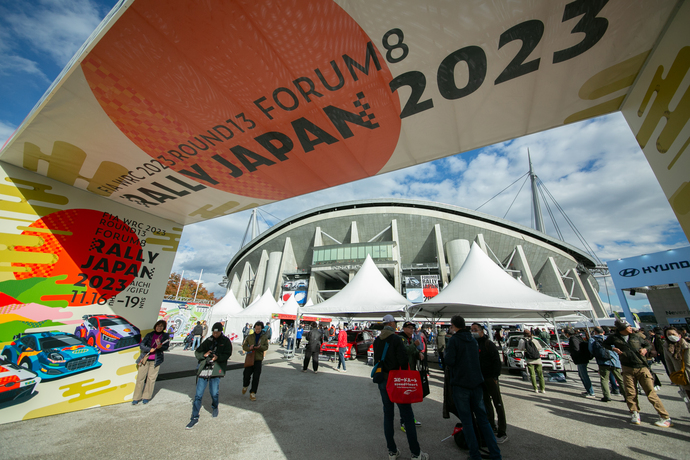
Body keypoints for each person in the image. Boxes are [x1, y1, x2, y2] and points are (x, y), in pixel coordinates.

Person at [373, 314, 429, 460]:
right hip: (397, 381)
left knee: (388, 415)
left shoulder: (377, 340)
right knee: (407, 416)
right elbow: (403, 360)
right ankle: (416, 453)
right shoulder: (396, 339)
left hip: (383, 381)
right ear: (391, 324)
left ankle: (392, 451)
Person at [445, 315, 502, 460]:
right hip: (476, 383)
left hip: (461, 384)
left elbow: (449, 361)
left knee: (467, 422)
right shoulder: (473, 340)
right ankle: (496, 453)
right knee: (483, 420)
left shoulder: (454, 340)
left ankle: (475, 455)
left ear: (453, 326)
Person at [604, 319, 672, 427]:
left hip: (641, 367)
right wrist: (613, 348)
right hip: (627, 368)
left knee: (651, 393)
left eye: (630, 326)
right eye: (628, 327)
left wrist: (645, 349)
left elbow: (649, 345)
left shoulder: (637, 336)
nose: (630, 328)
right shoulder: (613, 337)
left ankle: (664, 416)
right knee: (630, 393)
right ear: (622, 329)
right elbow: (605, 344)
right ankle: (634, 413)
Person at [186, 322, 232, 429]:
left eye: (217, 332)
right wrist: (204, 355)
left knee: (214, 392)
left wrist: (218, 357)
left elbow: (227, 354)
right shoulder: (209, 340)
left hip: (215, 370)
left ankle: (215, 406)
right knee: (198, 395)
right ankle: (194, 417)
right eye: (214, 332)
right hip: (204, 369)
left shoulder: (225, 341)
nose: (215, 334)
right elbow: (198, 352)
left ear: (221, 331)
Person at [471, 323, 507, 443]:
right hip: (480, 379)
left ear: (482, 331)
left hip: (490, 378)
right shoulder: (474, 344)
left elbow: (496, 360)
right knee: (486, 403)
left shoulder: (488, 344)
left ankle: (502, 431)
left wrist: (495, 376)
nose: (473, 332)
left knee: (498, 404)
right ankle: (491, 426)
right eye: (471, 330)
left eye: (475, 330)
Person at [132, 320, 170, 405]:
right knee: (140, 378)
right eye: (158, 326)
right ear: (155, 326)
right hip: (146, 358)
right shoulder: (150, 334)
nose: (159, 328)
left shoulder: (165, 336)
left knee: (151, 379)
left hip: (156, 360)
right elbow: (142, 345)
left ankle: (146, 396)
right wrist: (149, 349)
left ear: (163, 328)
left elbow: (166, 347)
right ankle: (136, 397)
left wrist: (161, 347)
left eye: (161, 326)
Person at [399, 321, 423, 431]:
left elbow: (412, 352)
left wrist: (418, 354)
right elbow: (405, 351)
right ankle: (403, 421)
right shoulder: (401, 338)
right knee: (404, 398)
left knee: (408, 396)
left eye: (412, 328)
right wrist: (415, 346)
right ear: (403, 328)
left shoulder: (411, 339)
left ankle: (410, 418)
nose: (411, 329)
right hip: (403, 371)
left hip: (410, 371)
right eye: (409, 327)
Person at [589, 326, 624, 402]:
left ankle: (607, 396)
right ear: (603, 332)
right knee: (620, 379)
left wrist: (597, 356)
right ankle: (627, 396)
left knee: (604, 379)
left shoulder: (593, 339)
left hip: (603, 361)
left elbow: (591, 349)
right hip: (614, 360)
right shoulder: (610, 338)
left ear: (595, 332)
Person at [242, 321, 270, 401]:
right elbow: (244, 346)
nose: (257, 330)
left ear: (261, 329)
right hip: (250, 357)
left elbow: (266, 347)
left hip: (258, 359)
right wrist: (249, 348)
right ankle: (245, 385)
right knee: (246, 374)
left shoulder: (264, 337)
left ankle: (253, 392)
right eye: (256, 329)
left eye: (259, 329)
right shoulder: (250, 336)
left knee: (256, 377)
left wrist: (260, 347)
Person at [564, 327, 594, 398]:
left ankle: (590, 392)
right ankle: (589, 391)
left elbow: (576, 349)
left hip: (580, 359)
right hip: (583, 358)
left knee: (583, 375)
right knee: (582, 375)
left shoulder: (573, 339)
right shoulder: (578, 337)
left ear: (567, 334)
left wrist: (573, 355)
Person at [663, 327, 690, 401]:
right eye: (669, 334)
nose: (671, 336)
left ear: (679, 335)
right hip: (683, 378)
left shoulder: (687, 346)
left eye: (673, 334)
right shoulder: (667, 348)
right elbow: (669, 363)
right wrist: (673, 376)